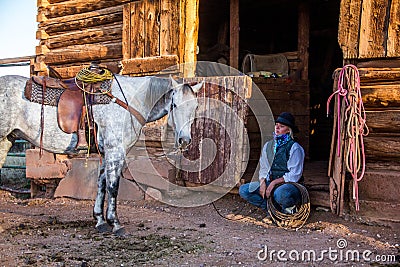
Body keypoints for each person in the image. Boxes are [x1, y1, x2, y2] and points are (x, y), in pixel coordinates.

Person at [239, 112, 305, 215]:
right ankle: (272, 210)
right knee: (244, 190)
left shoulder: (295, 148)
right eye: (276, 125)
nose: (277, 128)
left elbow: (294, 175)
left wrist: (274, 183)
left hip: (290, 185)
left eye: (282, 126)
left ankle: (288, 209)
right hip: (271, 182)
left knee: (281, 194)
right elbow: (264, 168)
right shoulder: (268, 146)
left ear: (288, 130)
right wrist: (262, 182)